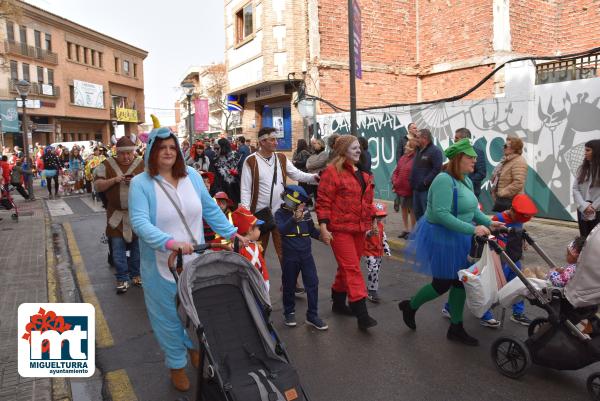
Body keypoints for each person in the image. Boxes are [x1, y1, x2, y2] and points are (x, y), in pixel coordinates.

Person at [129, 116, 247, 392]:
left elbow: (210, 210)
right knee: (167, 318)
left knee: (199, 313)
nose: (168, 152)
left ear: (179, 151)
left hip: (197, 260)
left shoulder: (192, 176)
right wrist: (170, 243)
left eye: (172, 147)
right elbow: (140, 222)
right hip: (162, 263)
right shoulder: (141, 183)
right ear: (151, 152)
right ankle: (176, 363)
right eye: (161, 148)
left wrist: (232, 234)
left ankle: (195, 347)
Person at [398, 138, 503, 346]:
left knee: (459, 282)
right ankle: (410, 306)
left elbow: (471, 210)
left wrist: (490, 223)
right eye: (470, 157)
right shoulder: (443, 180)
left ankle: (456, 327)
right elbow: (440, 215)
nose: (475, 160)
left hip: (459, 235)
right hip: (442, 237)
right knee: (441, 283)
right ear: (458, 159)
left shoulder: (464, 178)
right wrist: (474, 228)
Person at [442, 193, 538, 327]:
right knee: (491, 287)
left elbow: (518, 232)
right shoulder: (498, 219)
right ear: (514, 211)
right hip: (499, 258)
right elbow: (489, 239)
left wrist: (522, 242)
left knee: (519, 283)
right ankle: (478, 313)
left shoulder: (519, 219)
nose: (522, 221)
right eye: (522, 218)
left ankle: (518, 312)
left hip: (513, 257)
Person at [317, 134, 378, 330]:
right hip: (339, 229)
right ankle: (362, 313)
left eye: (359, 147)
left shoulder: (363, 173)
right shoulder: (332, 172)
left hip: (359, 228)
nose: (359, 150)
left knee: (347, 266)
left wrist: (373, 222)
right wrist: (324, 228)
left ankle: (337, 301)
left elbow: (367, 202)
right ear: (343, 151)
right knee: (352, 268)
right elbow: (323, 201)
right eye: (354, 148)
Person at [240, 127, 318, 267]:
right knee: (257, 252)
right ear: (262, 142)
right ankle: (255, 283)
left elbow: (296, 174)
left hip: (281, 214)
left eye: (276, 139)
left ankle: (290, 283)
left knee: (285, 251)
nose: (276, 142)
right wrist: (247, 217)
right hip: (259, 216)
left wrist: (314, 178)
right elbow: (245, 190)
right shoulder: (250, 161)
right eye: (272, 139)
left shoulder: (281, 158)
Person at [94, 136, 145, 294]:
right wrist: (115, 180)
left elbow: (152, 184)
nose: (126, 157)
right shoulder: (107, 165)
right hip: (115, 214)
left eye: (129, 153)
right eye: (123, 154)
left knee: (137, 248)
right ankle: (122, 278)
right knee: (117, 248)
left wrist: (136, 182)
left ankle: (136, 275)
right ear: (117, 152)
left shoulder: (142, 164)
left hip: (136, 214)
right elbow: (97, 185)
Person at [275, 185, 327, 330]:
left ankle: (312, 315)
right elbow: (281, 230)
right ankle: (289, 312)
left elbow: (311, 231)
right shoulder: (280, 213)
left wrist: (322, 236)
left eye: (300, 203)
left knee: (312, 283)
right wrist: (293, 220)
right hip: (290, 256)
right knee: (289, 284)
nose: (300, 206)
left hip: (306, 255)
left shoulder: (306, 213)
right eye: (289, 200)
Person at [231, 205, 270, 291]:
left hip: (257, 282)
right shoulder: (240, 248)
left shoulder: (254, 245)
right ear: (250, 230)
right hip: (252, 285)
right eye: (258, 228)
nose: (260, 231)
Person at [409, 128, 442, 220]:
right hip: (416, 189)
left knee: (427, 216)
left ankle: (428, 234)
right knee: (418, 215)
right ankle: (421, 234)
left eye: (418, 137)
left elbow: (437, 169)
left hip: (426, 190)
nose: (416, 139)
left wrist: (425, 182)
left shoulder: (435, 151)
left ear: (425, 138)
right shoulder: (418, 151)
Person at [490, 136, 527, 212]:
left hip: (512, 203)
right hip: (504, 202)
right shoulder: (506, 160)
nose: (503, 148)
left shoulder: (519, 161)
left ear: (514, 148)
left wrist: (501, 193)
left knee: (511, 223)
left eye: (505, 146)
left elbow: (518, 183)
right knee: (502, 223)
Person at [363, 202, 391, 303]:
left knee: (376, 272)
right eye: (377, 216)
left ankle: (371, 288)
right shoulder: (367, 225)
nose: (379, 218)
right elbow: (364, 235)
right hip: (368, 251)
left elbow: (384, 238)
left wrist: (387, 251)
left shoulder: (381, 226)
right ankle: (372, 291)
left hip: (378, 253)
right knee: (373, 270)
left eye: (382, 216)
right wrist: (371, 233)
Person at [572, 139, 600, 237]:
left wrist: (593, 206)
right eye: (585, 150)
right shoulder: (582, 168)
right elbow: (575, 189)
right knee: (584, 240)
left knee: (596, 242)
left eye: (588, 150)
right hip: (583, 211)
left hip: (597, 211)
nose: (585, 153)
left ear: (596, 151)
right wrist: (584, 206)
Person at [392, 137, 418, 238]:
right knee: (403, 208)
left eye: (407, 145)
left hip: (409, 190)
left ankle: (413, 231)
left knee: (411, 210)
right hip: (400, 189)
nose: (405, 147)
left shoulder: (415, 159)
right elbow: (396, 171)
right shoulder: (403, 158)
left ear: (412, 148)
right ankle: (406, 229)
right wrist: (395, 181)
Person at [454, 128, 486, 198]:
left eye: (456, 138)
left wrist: (465, 182)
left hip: (471, 192)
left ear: (464, 139)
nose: (454, 140)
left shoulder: (477, 153)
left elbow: (481, 173)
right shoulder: (455, 152)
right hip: (455, 191)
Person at [209, 137, 241, 203]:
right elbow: (213, 178)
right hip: (222, 193)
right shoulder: (215, 161)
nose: (215, 150)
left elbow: (243, 174)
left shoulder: (236, 157)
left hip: (236, 191)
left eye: (217, 148)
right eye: (214, 148)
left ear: (223, 147)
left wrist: (237, 174)